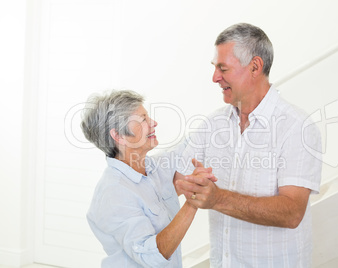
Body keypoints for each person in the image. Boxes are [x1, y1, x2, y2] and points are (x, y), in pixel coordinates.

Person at [175, 23, 322, 267]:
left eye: (223, 68)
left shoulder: (297, 128)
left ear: (255, 67)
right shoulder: (212, 125)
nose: (215, 78)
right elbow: (175, 180)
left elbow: (292, 211)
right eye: (215, 68)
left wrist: (217, 199)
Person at [81, 90, 215, 267]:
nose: (153, 123)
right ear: (118, 136)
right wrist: (193, 201)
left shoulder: (152, 168)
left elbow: (189, 145)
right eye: (143, 119)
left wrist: (229, 113)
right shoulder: (114, 193)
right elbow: (152, 257)